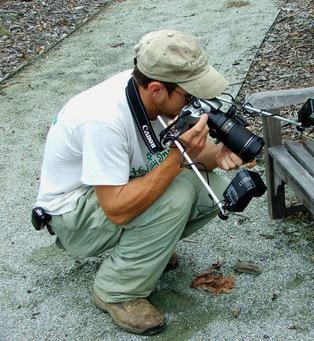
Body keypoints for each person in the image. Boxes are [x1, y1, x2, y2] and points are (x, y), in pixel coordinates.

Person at [34, 29, 250, 335]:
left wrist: (221, 153)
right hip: (74, 214)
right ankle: (116, 291)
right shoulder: (103, 120)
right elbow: (118, 210)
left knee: (212, 191)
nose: (196, 102)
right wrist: (179, 156)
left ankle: (144, 251)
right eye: (190, 95)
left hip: (116, 185)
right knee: (176, 196)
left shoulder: (144, 86)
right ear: (158, 89)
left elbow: (186, 160)